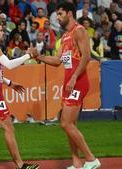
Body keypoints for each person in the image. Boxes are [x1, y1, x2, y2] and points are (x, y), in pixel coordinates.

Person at [30, 2, 101, 169]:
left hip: (77, 82)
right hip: (70, 82)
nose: (58, 17)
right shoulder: (66, 37)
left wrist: (74, 78)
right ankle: (76, 163)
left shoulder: (79, 30)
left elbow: (86, 56)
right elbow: (57, 61)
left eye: (60, 14)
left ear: (69, 13)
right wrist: (38, 56)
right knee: (71, 125)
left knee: (65, 123)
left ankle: (91, 159)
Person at [0, 21, 39, 169]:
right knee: (9, 128)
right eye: (0, 30)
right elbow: (9, 65)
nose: (3, 33)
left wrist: (10, 83)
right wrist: (28, 55)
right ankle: (20, 165)